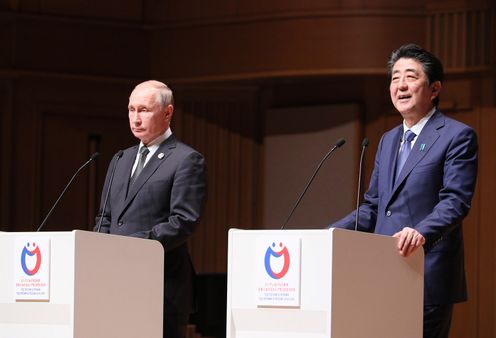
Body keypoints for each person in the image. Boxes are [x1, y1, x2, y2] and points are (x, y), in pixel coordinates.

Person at [329, 44, 478, 338]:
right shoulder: (387, 140)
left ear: (434, 89)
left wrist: (420, 232)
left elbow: (456, 201)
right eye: (395, 78)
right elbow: (374, 206)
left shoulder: (456, 136)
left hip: (427, 273)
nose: (401, 85)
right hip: (384, 273)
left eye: (410, 76)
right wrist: (329, 233)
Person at [95, 80, 208, 338]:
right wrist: (97, 252)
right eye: (131, 109)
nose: (135, 118)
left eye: (144, 110)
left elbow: (183, 221)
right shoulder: (120, 159)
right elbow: (105, 217)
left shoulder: (186, 159)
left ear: (168, 113)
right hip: (115, 282)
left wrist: (132, 246)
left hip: (160, 286)